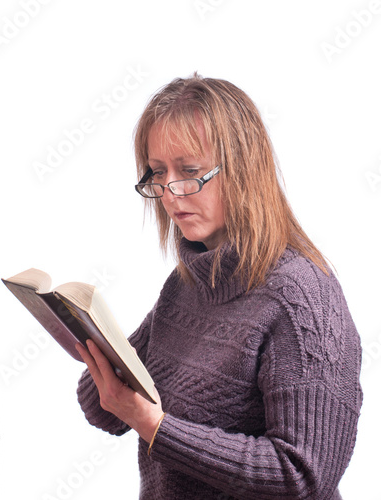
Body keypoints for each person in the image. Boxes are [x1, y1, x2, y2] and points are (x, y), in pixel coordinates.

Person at [75, 73, 363, 499]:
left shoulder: (302, 296)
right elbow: (104, 412)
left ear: (244, 169)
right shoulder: (186, 284)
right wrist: (84, 336)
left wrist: (156, 427)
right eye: (158, 173)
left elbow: (301, 475)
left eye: (190, 171)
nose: (171, 194)